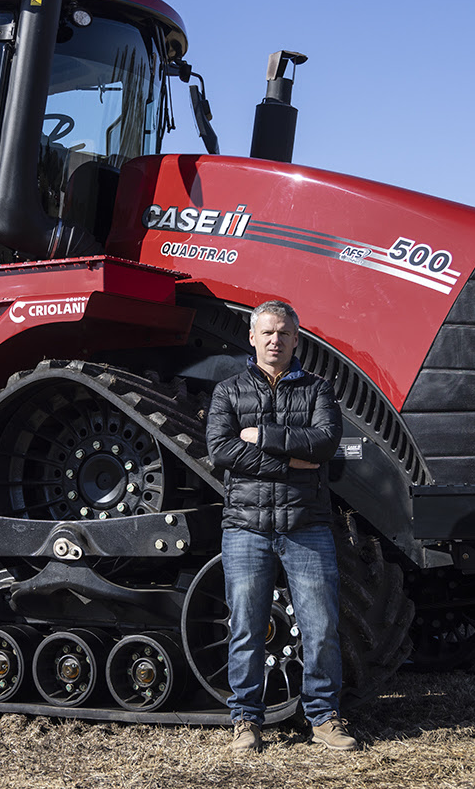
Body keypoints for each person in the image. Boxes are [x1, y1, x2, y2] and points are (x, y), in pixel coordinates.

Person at [205, 299, 358, 752]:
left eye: (284, 333)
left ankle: (324, 716)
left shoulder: (318, 390)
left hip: (305, 526)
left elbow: (326, 443)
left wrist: (264, 437)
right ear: (252, 338)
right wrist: (293, 462)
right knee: (246, 626)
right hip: (245, 527)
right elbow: (220, 450)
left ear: (297, 339)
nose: (276, 340)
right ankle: (245, 719)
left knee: (320, 625)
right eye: (267, 333)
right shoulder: (228, 391)